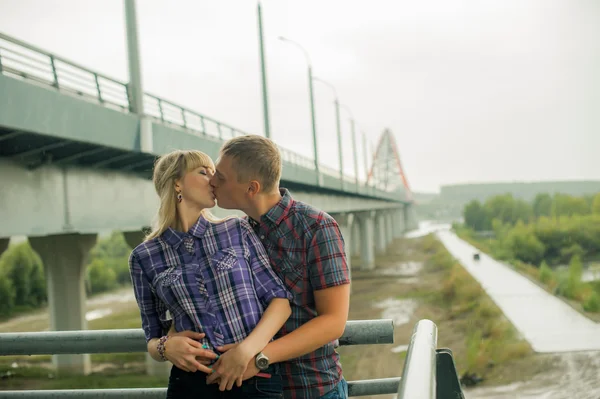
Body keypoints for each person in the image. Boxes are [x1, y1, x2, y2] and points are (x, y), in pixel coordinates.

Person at [128, 149, 292, 399]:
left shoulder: (237, 229)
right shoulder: (144, 257)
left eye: (214, 173)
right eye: (203, 172)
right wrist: (165, 347)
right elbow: (152, 336)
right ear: (177, 183)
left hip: (253, 377)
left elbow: (280, 302)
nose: (213, 180)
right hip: (191, 385)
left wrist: (246, 352)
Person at [207, 135, 351, 399]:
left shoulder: (316, 227)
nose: (212, 181)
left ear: (251, 188)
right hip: (250, 391)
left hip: (310, 388)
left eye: (221, 177)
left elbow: (333, 321)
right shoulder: (234, 233)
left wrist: (258, 357)